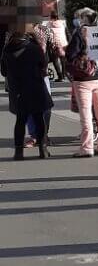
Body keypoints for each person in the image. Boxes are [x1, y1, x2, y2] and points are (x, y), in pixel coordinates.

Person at [1, 13, 53, 160]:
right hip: (35, 87)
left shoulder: (7, 49)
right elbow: (44, 66)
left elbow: (3, 71)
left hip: (18, 90)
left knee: (20, 121)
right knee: (38, 118)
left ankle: (18, 152)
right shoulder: (34, 47)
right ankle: (43, 150)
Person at [65, 7, 98, 158]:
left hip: (83, 79)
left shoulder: (79, 33)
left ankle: (87, 147)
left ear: (83, 19)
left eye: (78, 17)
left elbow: (70, 54)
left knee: (86, 114)